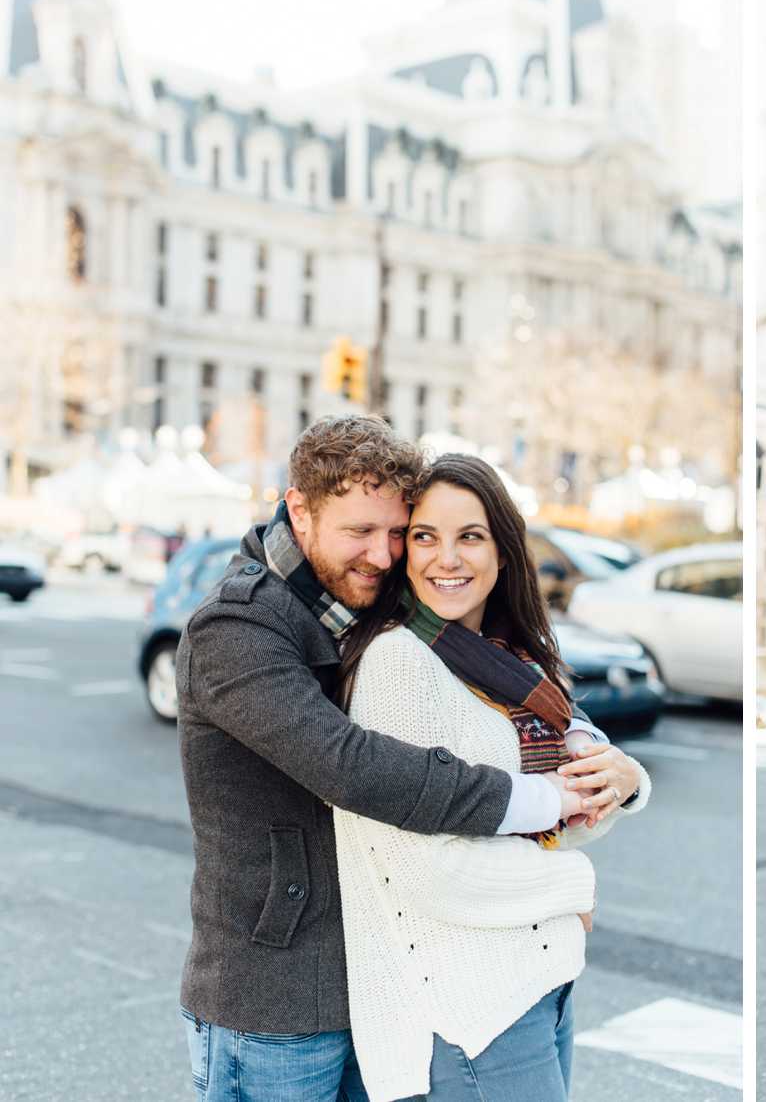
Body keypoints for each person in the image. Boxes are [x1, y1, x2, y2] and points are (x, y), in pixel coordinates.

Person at [176, 417, 602, 1101]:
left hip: (374, 987)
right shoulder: (236, 630)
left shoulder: (366, 600)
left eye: (397, 532)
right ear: (299, 511)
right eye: (359, 532)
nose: (382, 554)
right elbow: (351, 767)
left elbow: (495, 673)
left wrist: (595, 748)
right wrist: (547, 805)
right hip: (272, 1004)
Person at [331, 454, 650, 1101]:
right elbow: (422, 870)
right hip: (470, 1014)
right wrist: (571, 887)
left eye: (469, 537)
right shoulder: (399, 662)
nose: (446, 558)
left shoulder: (504, 664)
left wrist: (625, 780)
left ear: (503, 551)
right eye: (425, 537)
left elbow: (554, 816)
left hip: (537, 986)